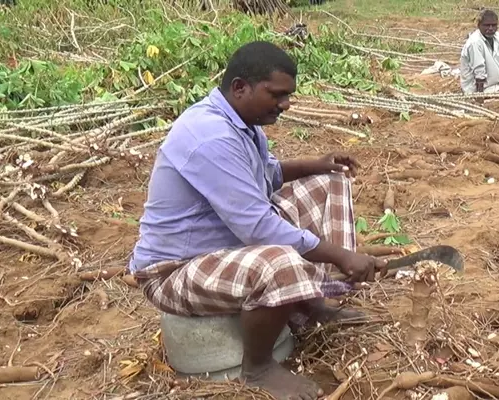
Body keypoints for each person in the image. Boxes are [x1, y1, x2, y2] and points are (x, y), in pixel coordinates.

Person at [129, 41, 384, 399]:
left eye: (288, 95)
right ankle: (258, 366)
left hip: (217, 250)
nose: (286, 104)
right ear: (240, 87)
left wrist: (319, 164)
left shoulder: (242, 124)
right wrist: (342, 256)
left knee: (326, 184)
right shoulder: (211, 136)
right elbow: (258, 228)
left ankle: (308, 304)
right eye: (276, 94)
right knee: (279, 259)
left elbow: (267, 175)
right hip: (173, 271)